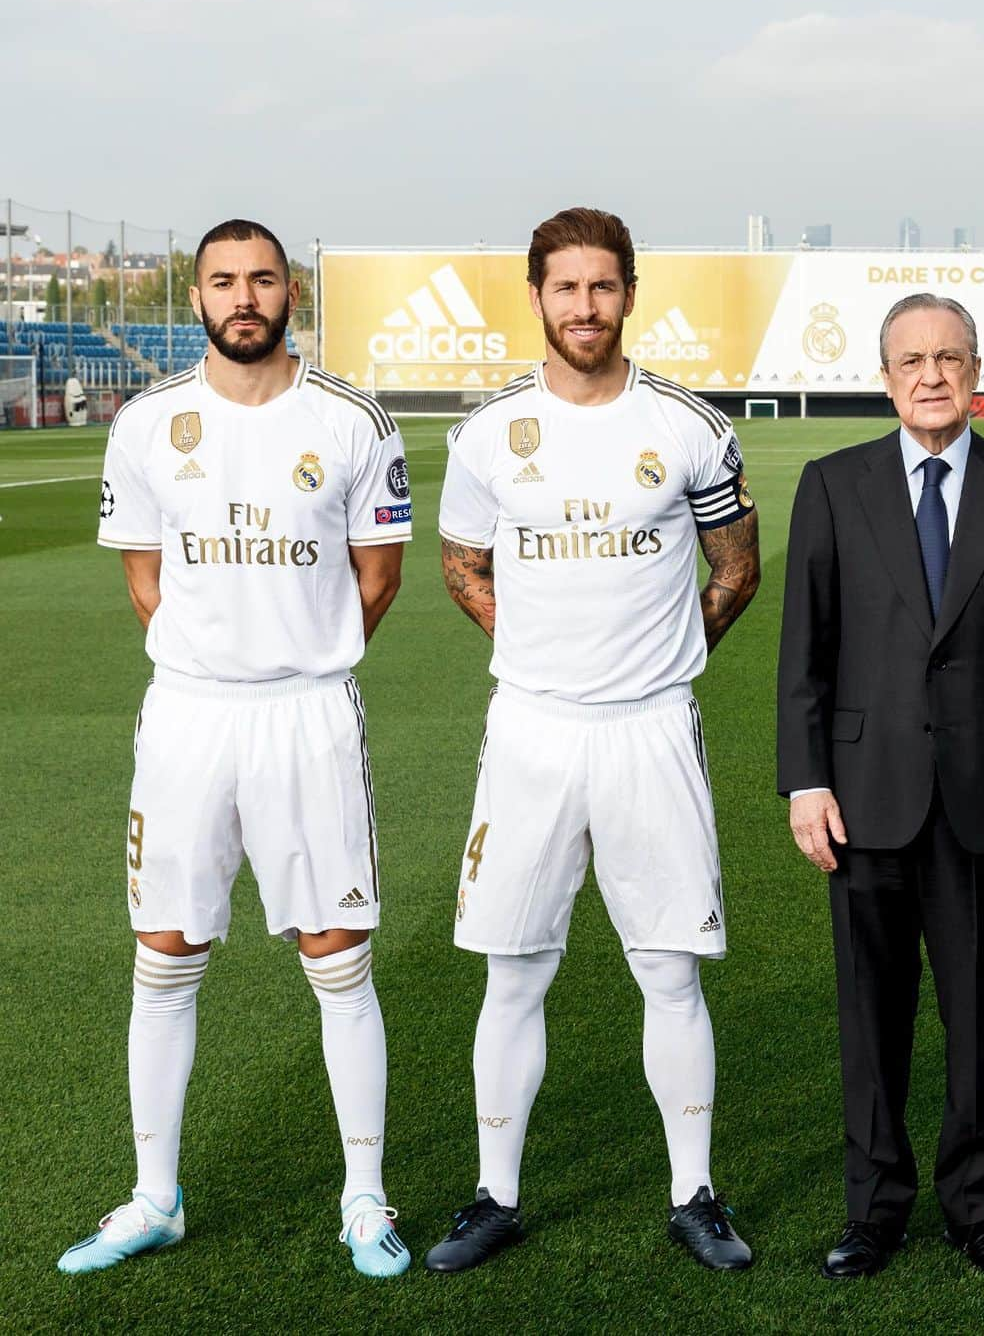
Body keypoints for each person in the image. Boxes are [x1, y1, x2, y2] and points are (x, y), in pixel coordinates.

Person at [58, 219, 413, 1278]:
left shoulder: (353, 419)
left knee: (336, 956)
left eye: (262, 278)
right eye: (223, 281)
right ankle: (154, 1195)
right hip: (188, 718)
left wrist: (297, 655)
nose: (242, 296)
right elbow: (144, 583)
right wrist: (218, 661)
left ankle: (366, 1197)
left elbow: (379, 575)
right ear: (200, 295)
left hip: (307, 714)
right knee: (165, 952)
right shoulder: (148, 421)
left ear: (290, 293)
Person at [425, 207, 760, 1274]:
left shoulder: (691, 427)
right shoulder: (486, 434)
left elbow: (737, 567)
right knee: (513, 974)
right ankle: (495, 1194)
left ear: (628, 293)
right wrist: (541, 651)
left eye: (603, 286)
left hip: (651, 732)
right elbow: (462, 565)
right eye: (565, 288)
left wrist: (660, 655)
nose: (585, 307)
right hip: (530, 733)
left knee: (670, 972)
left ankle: (694, 1193)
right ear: (537, 297)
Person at [778, 293, 984, 1279]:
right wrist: (805, 780)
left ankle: (979, 1209)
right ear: (885, 376)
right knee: (872, 1017)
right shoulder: (832, 484)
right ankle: (874, 1211)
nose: (932, 375)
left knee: (983, 1015)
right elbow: (805, 654)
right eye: (912, 360)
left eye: (949, 356)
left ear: (978, 369)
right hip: (864, 798)